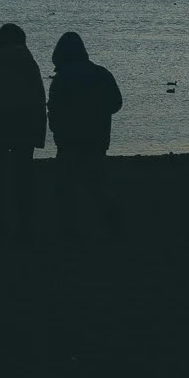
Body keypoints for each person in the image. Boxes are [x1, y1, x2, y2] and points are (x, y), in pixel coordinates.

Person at [46, 31, 123, 234]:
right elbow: (116, 103)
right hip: (97, 140)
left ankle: (70, 231)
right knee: (96, 186)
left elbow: (53, 110)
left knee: (65, 190)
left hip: (68, 141)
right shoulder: (102, 74)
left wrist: (57, 131)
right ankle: (111, 224)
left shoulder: (61, 79)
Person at [0, 23, 46, 237]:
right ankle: (25, 224)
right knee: (23, 177)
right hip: (26, 125)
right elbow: (40, 98)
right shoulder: (30, 63)